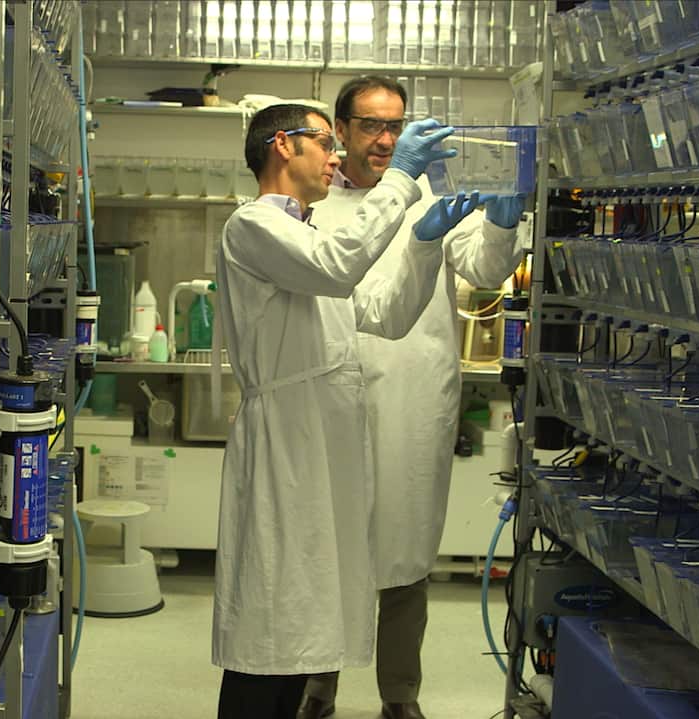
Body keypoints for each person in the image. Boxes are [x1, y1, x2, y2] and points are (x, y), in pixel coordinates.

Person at [212, 102, 486, 719]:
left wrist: (421, 244)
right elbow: (339, 270)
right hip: (287, 444)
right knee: (271, 622)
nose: (337, 155)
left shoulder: (303, 232)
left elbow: (383, 313)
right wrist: (401, 181)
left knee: (303, 616)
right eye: (325, 142)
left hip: (322, 449)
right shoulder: (253, 226)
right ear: (283, 146)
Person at [298, 77, 525, 719]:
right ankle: (318, 685)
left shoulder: (429, 193)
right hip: (328, 390)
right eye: (371, 125)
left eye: (396, 125)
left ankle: (400, 694)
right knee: (326, 547)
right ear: (339, 130)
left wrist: (504, 218)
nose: (386, 139)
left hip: (411, 391)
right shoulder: (310, 199)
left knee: (404, 549)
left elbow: (482, 269)